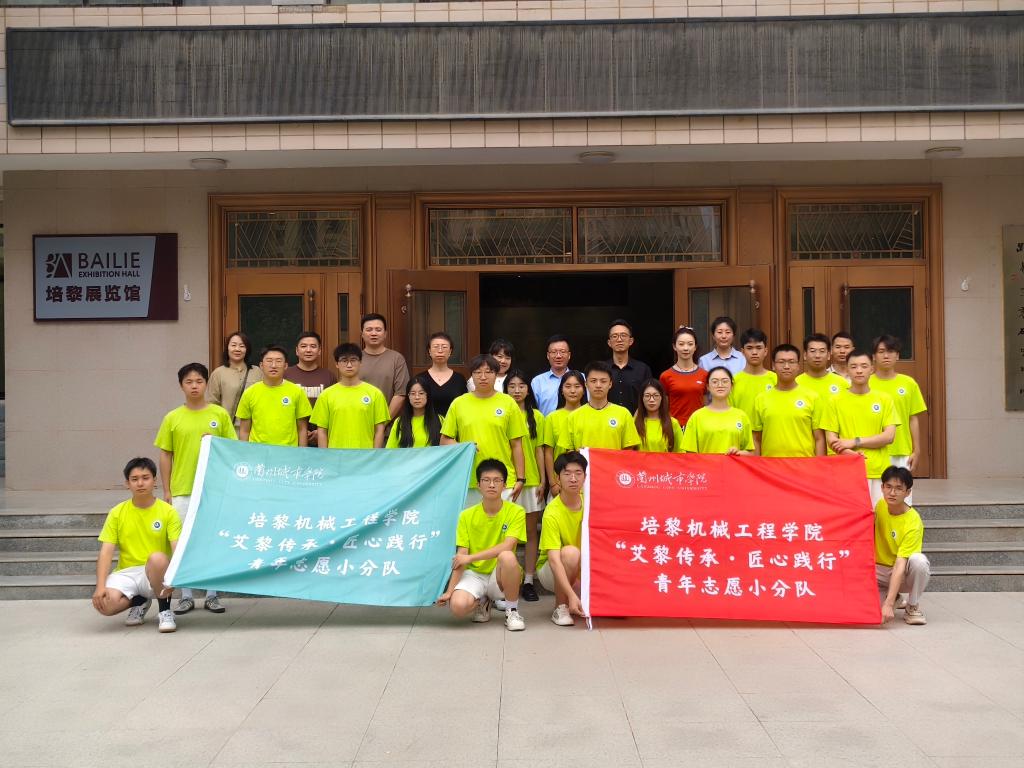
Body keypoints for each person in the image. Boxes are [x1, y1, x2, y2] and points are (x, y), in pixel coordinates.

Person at [155, 362, 236, 615]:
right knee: (182, 543)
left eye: (199, 381)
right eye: (189, 382)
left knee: (211, 540)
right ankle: (186, 595)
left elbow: (231, 450)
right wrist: (167, 490)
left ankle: (212, 594)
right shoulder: (172, 417)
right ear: (181, 385)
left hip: (213, 489)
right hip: (182, 489)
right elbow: (165, 455)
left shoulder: (219, 415)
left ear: (206, 384)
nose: (194, 386)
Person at [92, 458, 181, 633]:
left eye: (145, 478)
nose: (140, 483)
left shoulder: (168, 511)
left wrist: (178, 575)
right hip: (127, 572)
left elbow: (176, 547)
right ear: (127, 483)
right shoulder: (117, 512)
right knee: (105, 604)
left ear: (154, 480)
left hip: (156, 571)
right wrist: (100, 587)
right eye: (134, 479)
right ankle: (140, 601)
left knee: (157, 558)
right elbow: (106, 553)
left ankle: (165, 611)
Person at [436, 460, 527, 632]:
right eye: (486, 480)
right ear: (478, 485)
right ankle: (483, 602)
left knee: (507, 556)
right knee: (458, 607)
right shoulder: (466, 515)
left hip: (500, 574)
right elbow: (461, 555)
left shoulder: (516, 511)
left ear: (504, 485)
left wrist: (470, 557)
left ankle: (512, 611)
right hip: (474, 574)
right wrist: (449, 592)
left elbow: (507, 546)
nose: (491, 484)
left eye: (497, 480)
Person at [441, 354, 528, 505]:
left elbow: (516, 445)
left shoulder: (508, 403)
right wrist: (464, 447)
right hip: (469, 480)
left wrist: (521, 478)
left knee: (501, 520)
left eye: (488, 372)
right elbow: (444, 440)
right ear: (471, 376)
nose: (483, 377)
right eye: (477, 372)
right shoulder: (459, 403)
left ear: (496, 375)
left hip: (503, 479)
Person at [820, 349, 899, 506]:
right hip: (846, 471)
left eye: (864, 366)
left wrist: (855, 442)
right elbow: (831, 439)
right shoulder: (834, 401)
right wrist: (850, 454)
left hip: (878, 471)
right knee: (850, 516)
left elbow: (889, 436)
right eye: (854, 366)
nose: (859, 370)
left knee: (878, 516)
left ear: (872, 369)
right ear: (847, 370)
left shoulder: (884, 399)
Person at [502, 369, 546, 601]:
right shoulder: (501, 412)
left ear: (528, 390)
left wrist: (543, 480)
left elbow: (539, 451)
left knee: (529, 532)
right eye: (512, 386)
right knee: (506, 532)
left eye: (521, 386)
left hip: (531, 481)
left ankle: (528, 580)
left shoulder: (537, 416)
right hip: (507, 481)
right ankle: (506, 579)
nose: (517, 390)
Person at [536, 451, 589, 627]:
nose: (573, 479)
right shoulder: (552, 512)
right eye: (567, 474)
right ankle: (561, 607)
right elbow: (553, 559)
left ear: (585, 476)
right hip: (551, 570)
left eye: (578, 473)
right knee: (570, 553)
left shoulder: (590, 504)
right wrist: (572, 595)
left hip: (582, 568)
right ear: (558, 478)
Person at [875, 466, 929, 626]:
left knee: (919, 561)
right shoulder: (880, 505)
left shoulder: (913, 522)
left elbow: (900, 563)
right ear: (882, 488)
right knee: (867, 611)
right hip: (877, 572)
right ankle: (895, 597)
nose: (892, 493)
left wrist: (888, 604)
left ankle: (912, 606)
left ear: (908, 492)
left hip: (902, 572)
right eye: (888, 487)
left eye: (899, 488)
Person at [311, 343, 390, 449]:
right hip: (336, 455)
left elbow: (379, 430)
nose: (349, 365)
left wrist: (374, 455)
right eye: (344, 360)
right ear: (337, 364)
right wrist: (325, 456)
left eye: (353, 360)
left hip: (366, 455)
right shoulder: (326, 395)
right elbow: (322, 431)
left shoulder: (375, 394)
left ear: (360, 362)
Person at [752, 345, 825, 458]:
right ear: (773, 365)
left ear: (798, 366)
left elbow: (819, 438)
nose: (786, 366)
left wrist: (819, 465)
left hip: (803, 464)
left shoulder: (812, 397)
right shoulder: (761, 399)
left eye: (791, 362)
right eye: (781, 362)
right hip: (770, 464)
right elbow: (756, 439)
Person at [870, 334, 927, 473]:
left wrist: (917, 450)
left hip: (902, 451)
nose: (886, 356)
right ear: (874, 356)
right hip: (872, 450)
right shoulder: (866, 383)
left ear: (897, 356)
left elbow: (913, 419)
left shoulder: (908, 383)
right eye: (881, 351)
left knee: (900, 487)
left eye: (890, 351)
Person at [557, 361, 641, 452]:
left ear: (610, 384)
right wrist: (578, 453)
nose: (598, 385)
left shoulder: (623, 414)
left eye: (603, 381)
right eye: (593, 381)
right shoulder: (573, 417)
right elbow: (568, 451)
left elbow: (629, 450)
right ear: (586, 384)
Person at [237, 346, 312, 447]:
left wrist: (302, 452)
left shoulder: (297, 391)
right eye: (269, 361)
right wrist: (245, 453)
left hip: (288, 452)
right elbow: (244, 430)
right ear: (261, 365)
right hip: (258, 452)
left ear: (285, 366)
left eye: (278, 361)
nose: (273, 365)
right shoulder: (249, 393)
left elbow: (302, 429)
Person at [680, 366, 754, 455]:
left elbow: (750, 453)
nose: (720, 385)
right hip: (705, 464)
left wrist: (739, 453)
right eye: (715, 382)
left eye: (725, 381)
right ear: (708, 386)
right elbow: (690, 454)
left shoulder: (741, 416)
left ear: (732, 386)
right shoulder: (697, 417)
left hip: (733, 464)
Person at [285, 331, 336, 446]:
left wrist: (321, 432)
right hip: (292, 438)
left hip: (322, 439)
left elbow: (334, 407)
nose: (308, 350)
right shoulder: (286, 375)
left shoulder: (329, 376)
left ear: (319, 351)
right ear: (297, 351)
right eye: (303, 346)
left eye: (313, 346)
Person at [542, 370, 588, 499]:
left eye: (577, 386)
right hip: (560, 481)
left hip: (587, 480)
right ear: (561, 390)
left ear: (584, 390)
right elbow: (548, 452)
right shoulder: (552, 418)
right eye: (568, 386)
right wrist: (553, 483)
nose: (572, 391)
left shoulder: (590, 415)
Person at [358, 313, 410, 419]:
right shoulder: (355, 359)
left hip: (389, 425)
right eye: (369, 330)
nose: (373, 333)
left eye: (378, 330)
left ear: (385, 334)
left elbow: (400, 394)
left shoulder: (397, 359)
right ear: (362, 334)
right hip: (359, 422)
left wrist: (382, 422)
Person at [207, 331, 263, 426]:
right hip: (228, 428)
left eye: (242, 346)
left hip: (253, 428)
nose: (237, 349)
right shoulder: (218, 373)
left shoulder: (257, 372)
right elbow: (212, 404)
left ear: (247, 349)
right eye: (233, 345)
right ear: (227, 348)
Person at [660, 326, 707, 430]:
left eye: (690, 344)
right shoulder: (666, 376)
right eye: (681, 344)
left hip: (699, 427)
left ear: (695, 347)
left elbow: (706, 404)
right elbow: (664, 407)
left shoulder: (704, 375)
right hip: (676, 428)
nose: (686, 348)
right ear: (674, 346)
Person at [605, 319, 653, 413]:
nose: (619, 339)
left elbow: (649, 397)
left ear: (631, 341)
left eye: (623, 335)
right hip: (607, 420)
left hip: (636, 420)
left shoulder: (643, 369)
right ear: (609, 342)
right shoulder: (602, 369)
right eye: (615, 336)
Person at [414, 332, 467, 417]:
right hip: (427, 423)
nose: (440, 351)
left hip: (453, 424)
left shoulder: (459, 379)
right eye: (436, 347)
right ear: (429, 351)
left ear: (450, 351)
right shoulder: (420, 379)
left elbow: (464, 406)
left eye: (444, 347)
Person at [729, 328, 777, 421]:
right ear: (742, 352)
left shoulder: (776, 379)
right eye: (749, 348)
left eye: (759, 348)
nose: (754, 352)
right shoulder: (733, 381)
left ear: (765, 351)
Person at [386, 379, 443, 448]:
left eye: (421, 393)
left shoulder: (439, 420)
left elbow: (448, 448)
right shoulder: (399, 422)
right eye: (413, 394)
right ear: (408, 396)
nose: (417, 397)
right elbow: (390, 450)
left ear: (427, 395)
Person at [796, 333, 850, 401]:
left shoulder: (842, 383)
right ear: (805, 355)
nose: (817, 355)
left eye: (822, 351)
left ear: (828, 355)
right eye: (813, 351)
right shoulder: (796, 383)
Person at [634, 379, 683, 453]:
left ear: (662, 398)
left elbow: (680, 453)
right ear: (642, 398)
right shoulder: (633, 422)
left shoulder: (673, 423)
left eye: (656, 395)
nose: (651, 400)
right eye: (647, 396)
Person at [531, 334, 572, 415]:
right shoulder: (537, 381)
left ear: (569, 355)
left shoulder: (582, 378)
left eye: (562, 352)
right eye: (554, 352)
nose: (558, 356)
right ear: (548, 355)